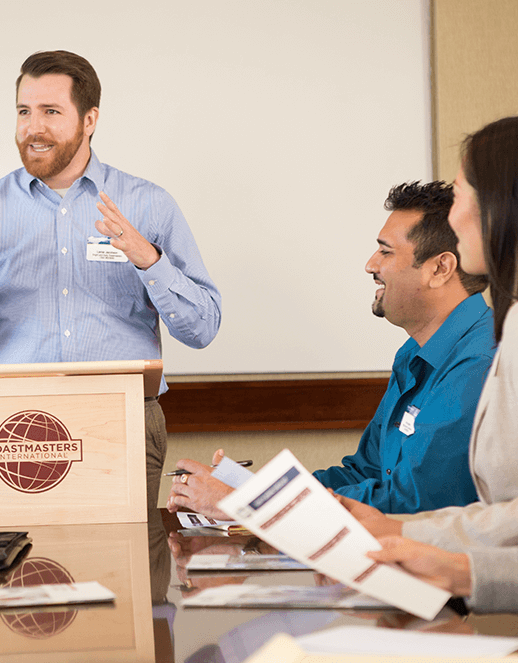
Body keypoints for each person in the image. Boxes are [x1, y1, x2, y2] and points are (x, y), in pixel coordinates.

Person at [0, 50, 222, 507]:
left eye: (50, 112)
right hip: (18, 427)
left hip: (123, 421)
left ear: (89, 119)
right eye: (24, 111)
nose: (33, 127)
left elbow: (202, 328)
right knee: (28, 569)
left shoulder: (148, 205)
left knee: (129, 568)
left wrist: (147, 258)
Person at [169, 181, 493, 517]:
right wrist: (255, 490)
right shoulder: (412, 354)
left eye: (385, 251)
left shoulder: (479, 364)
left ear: (440, 269)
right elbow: (365, 472)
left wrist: (254, 505)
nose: (371, 265)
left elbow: (413, 501)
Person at [342, 116, 518, 613]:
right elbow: (368, 470)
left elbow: (420, 495)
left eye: (463, 196)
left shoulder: (487, 352)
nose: (457, 219)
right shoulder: (417, 352)